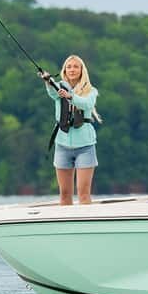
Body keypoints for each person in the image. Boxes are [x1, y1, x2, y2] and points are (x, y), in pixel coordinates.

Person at [39, 54, 100, 206]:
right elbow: (53, 93)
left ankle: (86, 220)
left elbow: (87, 104)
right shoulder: (59, 87)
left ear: (82, 70)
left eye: (76, 67)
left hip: (85, 146)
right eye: (69, 67)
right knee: (65, 194)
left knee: (83, 193)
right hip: (62, 145)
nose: (72, 69)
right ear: (64, 70)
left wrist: (71, 96)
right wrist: (47, 81)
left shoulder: (91, 90)